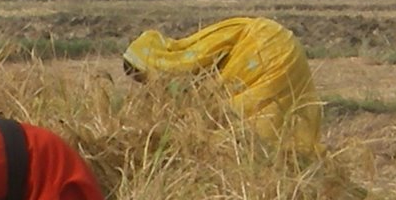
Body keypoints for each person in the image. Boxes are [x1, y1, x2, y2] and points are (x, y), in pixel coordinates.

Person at [123, 17, 322, 155]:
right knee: (280, 128)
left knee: (242, 132)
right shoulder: (190, 54)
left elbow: (189, 89)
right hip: (281, 51)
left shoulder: (181, 61)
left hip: (264, 47)